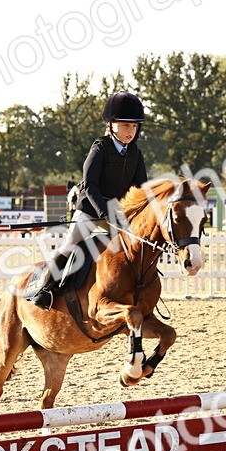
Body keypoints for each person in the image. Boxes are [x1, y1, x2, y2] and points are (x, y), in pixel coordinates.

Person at [28, 91, 148, 309]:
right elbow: (90, 184)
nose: (130, 131)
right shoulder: (100, 148)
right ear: (111, 125)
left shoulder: (136, 154)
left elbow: (139, 189)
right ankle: (45, 290)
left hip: (118, 212)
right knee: (69, 244)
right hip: (92, 209)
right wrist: (104, 212)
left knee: (133, 249)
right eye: (125, 126)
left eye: (134, 127)